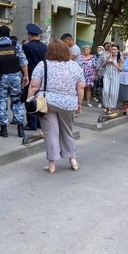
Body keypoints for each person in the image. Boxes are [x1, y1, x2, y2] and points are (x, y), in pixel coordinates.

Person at [26, 40, 85, 174]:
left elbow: (34, 86)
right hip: (68, 104)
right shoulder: (75, 66)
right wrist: (79, 103)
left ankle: (51, 164)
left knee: (50, 133)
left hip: (47, 103)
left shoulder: (43, 65)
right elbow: (81, 87)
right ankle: (73, 160)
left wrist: (29, 100)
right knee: (67, 131)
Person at [0, 25, 29, 138]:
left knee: (1, 102)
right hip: (16, 77)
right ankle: (20, 129)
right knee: (17, 101)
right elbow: (23, 62)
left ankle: (4, 130)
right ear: (9, 34)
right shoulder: (16, 45)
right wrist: (26, 76)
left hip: (1, 78)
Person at [22, 23, 47, 131]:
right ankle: (39, 122)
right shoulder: (44, 47)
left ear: (30, 35)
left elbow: (23, 62)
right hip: (42, 76)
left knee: (30, 98)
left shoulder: (26, 46)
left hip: (30, 75)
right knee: (40, 97)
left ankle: (31, 123)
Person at [102, 44, 123, 114]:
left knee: (113, 92)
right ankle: (105, 106)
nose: (113, 51)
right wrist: (107, 62)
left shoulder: (120, 58)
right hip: (107, 75)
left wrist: (115, 65)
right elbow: (103, 66)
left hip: (115, 76)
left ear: (118, 50)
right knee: (105, 91)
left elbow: (121, 69)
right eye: (112, 49)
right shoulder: (107, 56)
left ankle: (110, 107)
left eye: (115, 49)